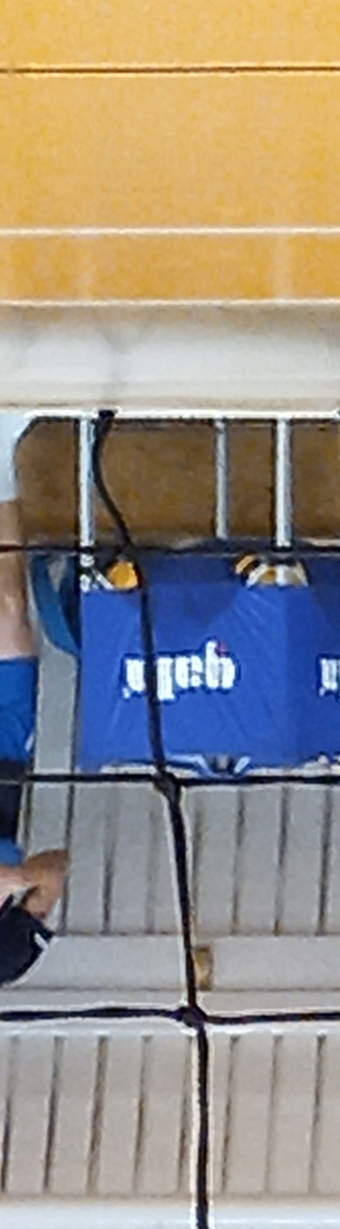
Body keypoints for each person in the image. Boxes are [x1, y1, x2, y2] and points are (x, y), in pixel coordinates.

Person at [0, 417, 67, 988]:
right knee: (9, 605)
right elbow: (57, 867)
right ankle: (3, 450)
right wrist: (14, 879)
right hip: (4, 754)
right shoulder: (5, 961)